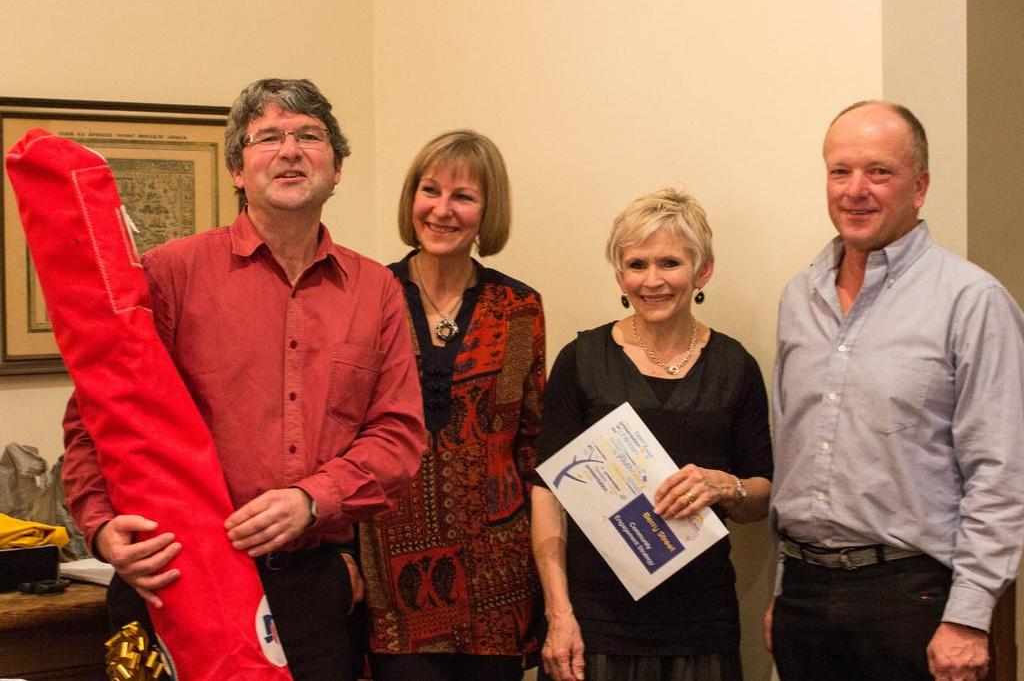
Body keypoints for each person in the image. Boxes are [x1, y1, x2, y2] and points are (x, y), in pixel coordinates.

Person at [61, 78, 426, 680]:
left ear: (336, 170)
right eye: (268, 138)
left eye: (309, 136)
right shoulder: (170, 273)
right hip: (178, 578)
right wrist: (100, 527)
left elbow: (398, 437)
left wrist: (313, 498)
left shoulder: (375, 291)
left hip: (310, 590)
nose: (290, 150)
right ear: (237, 168)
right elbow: (94, 417)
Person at [768, 100, 1024, 681]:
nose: (856, 190)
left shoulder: (972, 301)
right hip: (805, 600)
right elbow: (794, 453)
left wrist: (969, 617)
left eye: (878, 172)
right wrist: (785, 591)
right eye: (840, 171)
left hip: (912, 603)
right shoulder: (798, 298)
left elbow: (1001, 473)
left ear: (920, 185)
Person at [532, 187, 773, 681]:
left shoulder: (735, 366)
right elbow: (546, 493)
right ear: (620, 274)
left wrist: (727, 485)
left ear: (702, 271)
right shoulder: (581, 361)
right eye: (637, 264)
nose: (653, 280)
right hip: (597, 624)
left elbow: (761, 496)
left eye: (670, 263)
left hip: (702, 625)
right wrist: (559, 615)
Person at [359, 130, 546, 680]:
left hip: (498, 579)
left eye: (463, 197)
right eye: (430, 190)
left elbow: (532, 443)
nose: (442, 210)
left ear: (488, 211)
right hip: (392, 579)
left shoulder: (519, 308)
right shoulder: (369, 297)